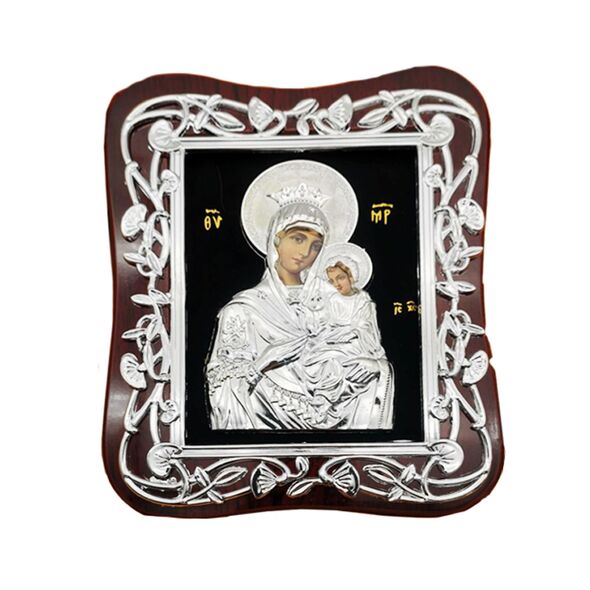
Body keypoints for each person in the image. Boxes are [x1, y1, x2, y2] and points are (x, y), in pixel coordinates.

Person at [205, 163, 394, 429]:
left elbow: (366, 358)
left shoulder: (334, 302)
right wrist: (264, 362)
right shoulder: (242, 311)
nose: (305, 252)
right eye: (297, 238)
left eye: (316, 245)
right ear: (275, 240)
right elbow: (223, 391)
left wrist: (376, 368)